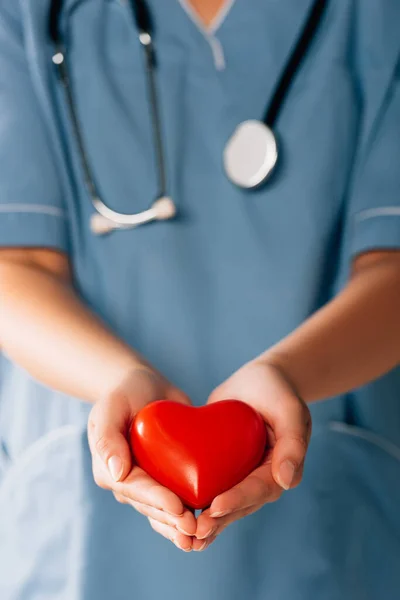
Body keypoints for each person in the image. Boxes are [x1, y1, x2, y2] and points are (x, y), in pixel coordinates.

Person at [0, 0, 399, 598]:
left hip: (331, 536)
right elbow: (16, 263)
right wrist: (119, 379)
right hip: (80, 538)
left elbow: (392, 265)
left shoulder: (375, 17)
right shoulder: (27, 14)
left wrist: (283, 375)